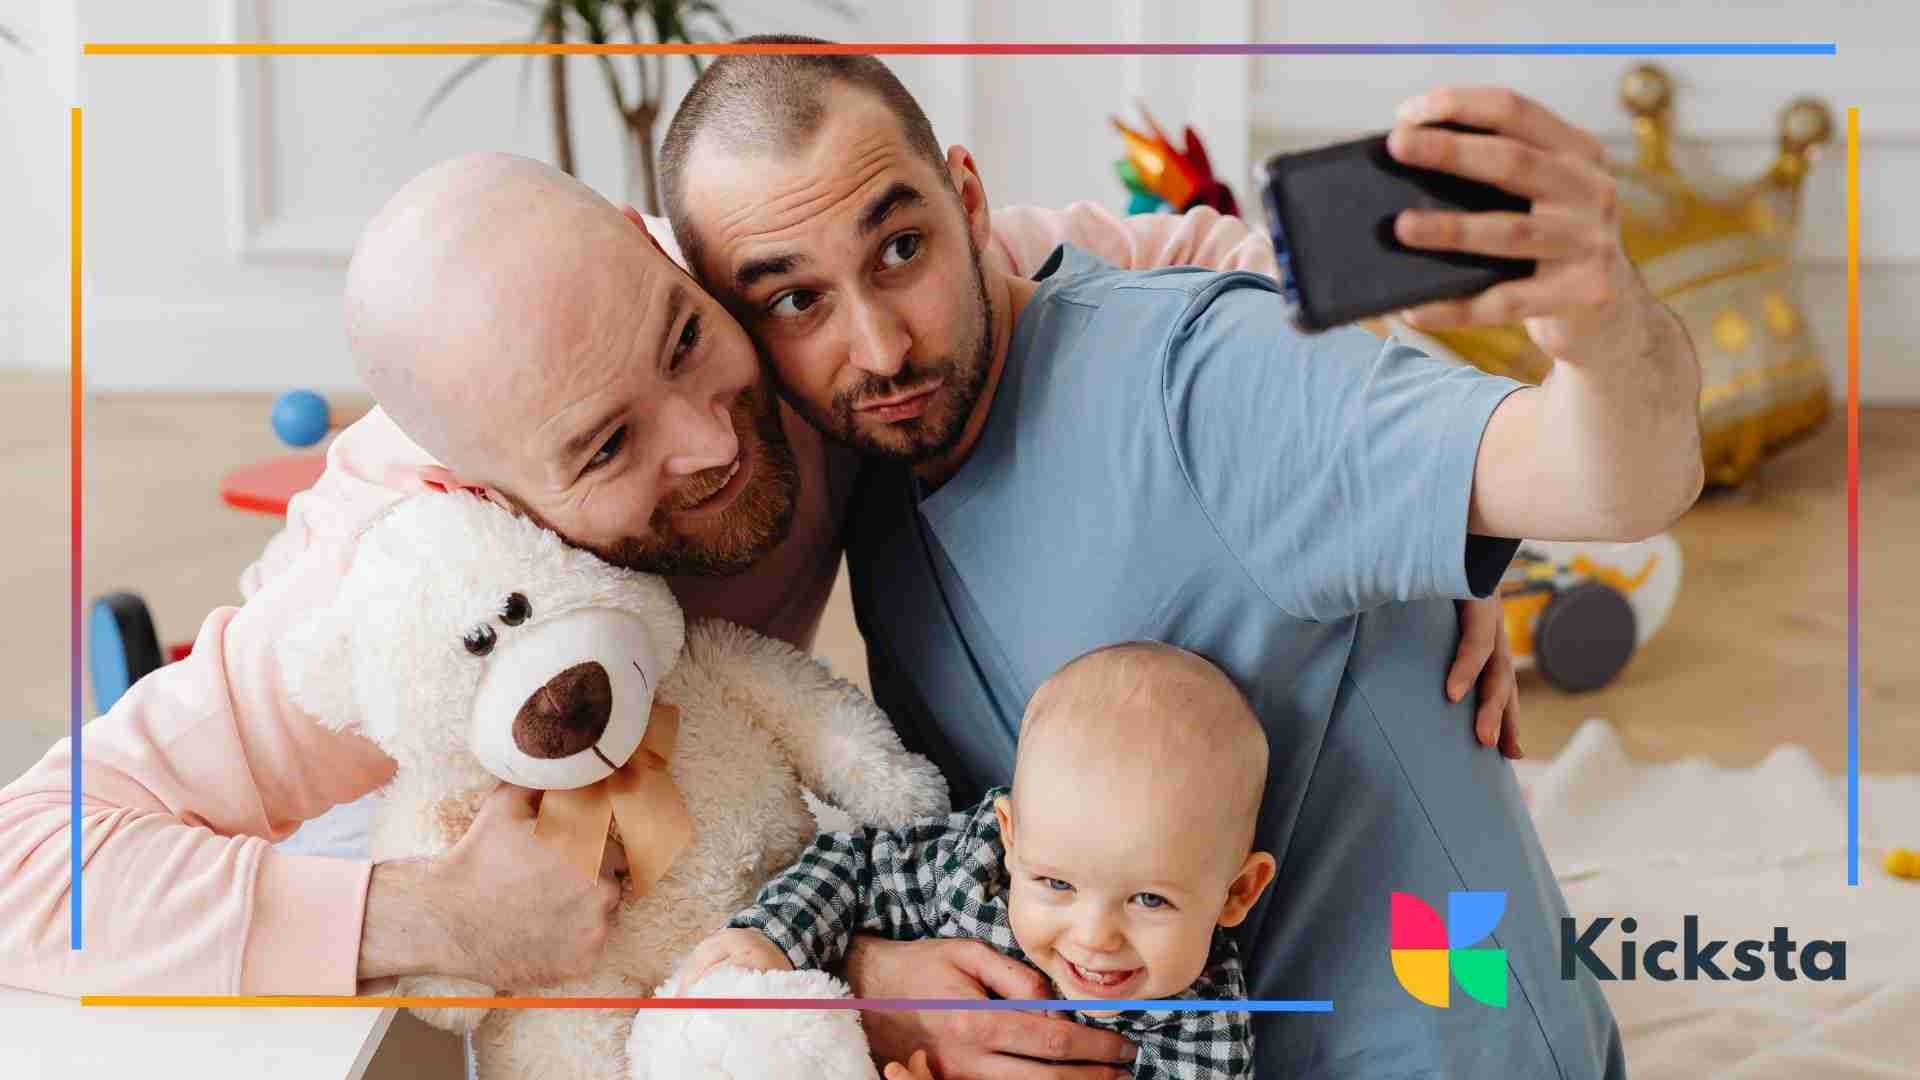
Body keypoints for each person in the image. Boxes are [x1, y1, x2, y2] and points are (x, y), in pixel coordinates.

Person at [0, 150, 1516, 1014]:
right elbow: (31, 870)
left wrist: (1443, 533)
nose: (718, 433)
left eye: (678, 334)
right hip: (441, 813)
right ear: (491, 490)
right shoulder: (394, 574)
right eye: (607, 445)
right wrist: (427, 918)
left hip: (732, 814)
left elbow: (1187, 255)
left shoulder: (782, 307)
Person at [653, 38, 1703, 1078]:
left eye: (900, 250)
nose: (880, 347)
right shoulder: (879, 474)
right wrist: (871, 970)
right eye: (796, 301)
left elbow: (1616, 481)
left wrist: (1600, 319)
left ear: (967, 201)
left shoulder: (1205, 387)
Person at [684, 642, 1276, 1078]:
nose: (1095, 938)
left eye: (1150, 899)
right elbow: (851, 866)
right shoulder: (968, 870)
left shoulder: (1199, 1026)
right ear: (1011, 838)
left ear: (1236, 893)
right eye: (1056, 882)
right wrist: (773, 938)